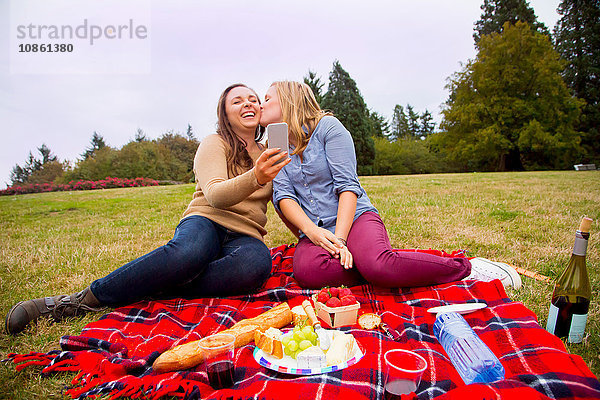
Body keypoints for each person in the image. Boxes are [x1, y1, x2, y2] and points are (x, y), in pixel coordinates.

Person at [5, 83, 291, 335]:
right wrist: (257, 176)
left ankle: (155, 283)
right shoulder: (214, 143)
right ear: (225, 114)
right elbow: (215, 195)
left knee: (256, 265)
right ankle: (81, 300)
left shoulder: (271, 153)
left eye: (253, 98)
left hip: (246, 234)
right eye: (237, 101)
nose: (248, 103)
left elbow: (287, 196)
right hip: (207, 219)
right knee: (188, 253)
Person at [259, 81, 521, 290]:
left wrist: (340, 240)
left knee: (378, 265)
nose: (260, 104)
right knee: (308, 273)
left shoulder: (328, 127)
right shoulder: (276, 146)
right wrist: (312, 233)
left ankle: (466, 267)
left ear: (289, 99)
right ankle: (388, 268)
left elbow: (347, 187)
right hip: (316, 231)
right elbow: (283, 196)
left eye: (267, 98)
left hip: (355, 218)